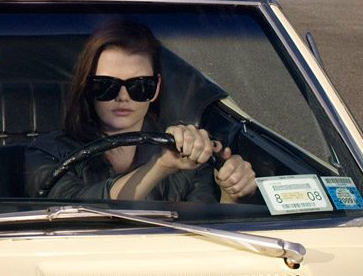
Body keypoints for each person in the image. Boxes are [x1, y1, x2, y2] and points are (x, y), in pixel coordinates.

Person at [25, 19, 256, 203]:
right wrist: (159, 167)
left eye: (139, 86)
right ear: (87, 87)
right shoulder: (47, 153)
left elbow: (205, 237)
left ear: (155, 89)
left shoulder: (185, 153)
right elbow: (71, 211)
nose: (122, 96)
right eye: (106, 85)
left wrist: (230, 193)